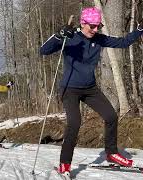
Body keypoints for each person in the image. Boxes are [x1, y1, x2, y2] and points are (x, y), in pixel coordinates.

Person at [40, 7, 143, 176]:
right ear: (83, 23)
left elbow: (123, 43)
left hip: (90, 88)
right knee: (74, 123)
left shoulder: (99, 38)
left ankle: (111, 153)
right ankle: (65, 164)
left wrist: (139, 29)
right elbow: (43, 50)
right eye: (92, 26)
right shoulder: (70, 36)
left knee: (111, 116)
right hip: (70, 89)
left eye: (98, 26)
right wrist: (58, 35)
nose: (95, 30)